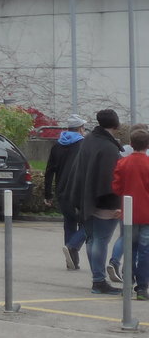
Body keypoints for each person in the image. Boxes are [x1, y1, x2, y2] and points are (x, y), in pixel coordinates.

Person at [69, 108, 124, 294]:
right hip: (105, 202)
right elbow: (111, 180)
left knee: (92, 240)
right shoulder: (108, 148)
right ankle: (99, 280)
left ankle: (97, 278)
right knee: (100, 240)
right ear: (116, 124)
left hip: (87, 198)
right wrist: (117, 204)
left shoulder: (89, 140)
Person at [44, 114, 87, 270]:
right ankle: (72, 246)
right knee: (89, 225)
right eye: (83, 128)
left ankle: (72, 262)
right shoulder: (84, 145)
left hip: (62, 191)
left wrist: (47, 194)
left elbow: (49, 171)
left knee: (69, 223)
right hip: (79, 191)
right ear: (80, 128)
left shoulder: (57, 145)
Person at [112, 127, 149, 300]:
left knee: (130, 249)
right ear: (147, 145)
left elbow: (117, 187)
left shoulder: (123, 163)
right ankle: (142, 288)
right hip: (147, 214)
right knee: (145, 251)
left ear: (131, 144)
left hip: (129, 213)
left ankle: (127, 283)